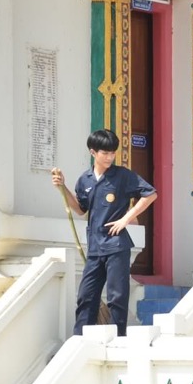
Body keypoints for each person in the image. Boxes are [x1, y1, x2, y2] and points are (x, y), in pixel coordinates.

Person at [52, 129, 157, 336]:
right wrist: (63, 188)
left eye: (112, 153)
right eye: (105, 153)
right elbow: (80, 209)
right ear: (93, 152)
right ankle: (80, 339)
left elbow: (150, 194)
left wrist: (126, 219)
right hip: (94, 248)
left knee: (117, 296)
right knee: (86, 296)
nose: (110, 157)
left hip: (117, 246)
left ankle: (118, 338)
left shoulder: (122, 176)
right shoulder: (85, 180)